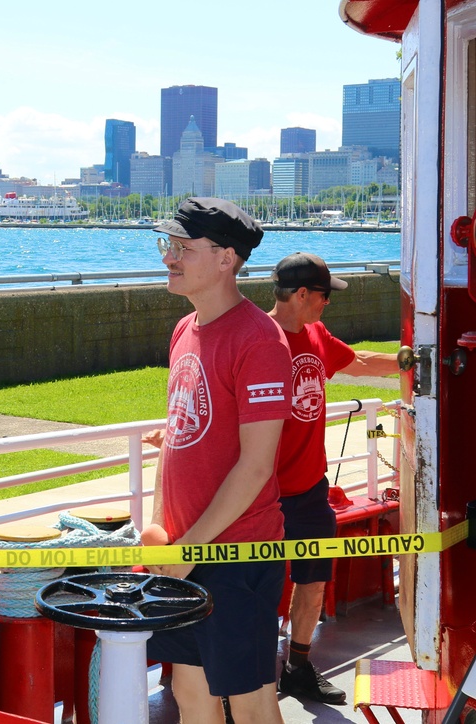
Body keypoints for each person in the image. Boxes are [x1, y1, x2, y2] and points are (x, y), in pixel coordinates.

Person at [145, 197, 291, 724]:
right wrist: (160, 528)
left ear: (227, 258)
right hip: (184, 550)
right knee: (190, 693)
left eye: (183, 247)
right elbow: (176, 441)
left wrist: (191, 546)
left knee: (251, 706)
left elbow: (255, 467)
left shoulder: (260, 341)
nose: (169, 258)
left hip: (235, 556)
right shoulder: (185, 331)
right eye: (169, 246)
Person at [268, 252, 400, 705]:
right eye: (324, 295)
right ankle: (247, 685)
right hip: (260, 498)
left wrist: (410, 361)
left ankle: (298, 668)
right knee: (258, 593)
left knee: (313, 583)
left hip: (310, 491)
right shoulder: (259, 339)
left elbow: (358, 361)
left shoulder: (317, 335)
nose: (328, 303)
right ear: (302, 294)